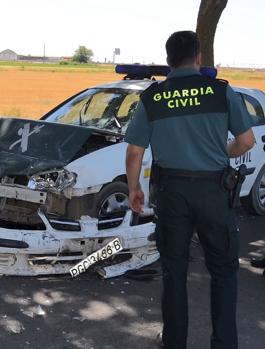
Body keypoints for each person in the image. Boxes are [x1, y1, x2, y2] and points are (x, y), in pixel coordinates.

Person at [124, 31, 255, 349]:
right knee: (223, 272)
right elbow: (247, 141)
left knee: (174, 270)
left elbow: (134, 152)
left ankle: (174, 342)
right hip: (214, 192)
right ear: (199, 58)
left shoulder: (153, 96)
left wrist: (134, 189)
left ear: (168, 60)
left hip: (172, 194)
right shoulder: (222, 92)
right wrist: (222, 152)